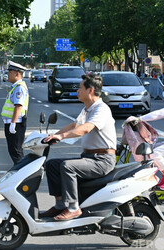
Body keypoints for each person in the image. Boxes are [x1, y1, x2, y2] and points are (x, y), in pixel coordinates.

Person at [40, 74, 117, 221]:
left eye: (80, 88)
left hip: (102, 160)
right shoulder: (87, 109)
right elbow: (75, 125)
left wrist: (62, 137)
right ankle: (60, 204)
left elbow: (86, 128)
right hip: (89, 157)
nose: (77, 91)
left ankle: (74, 208)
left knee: (68, 166)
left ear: (90, 90)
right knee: (52, 165)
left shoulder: (101, 109)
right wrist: (53, 136)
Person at [1, 61, 29, 165]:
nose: (8, 75)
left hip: (16, 124)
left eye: (10, 72)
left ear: (17, 74)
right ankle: (20, 173)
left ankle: (23, 176)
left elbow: (18, 106)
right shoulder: (15, 86)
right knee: (14, 151)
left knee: (16, 152)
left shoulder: (19, 87)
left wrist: (13, 123)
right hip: (12, 123)